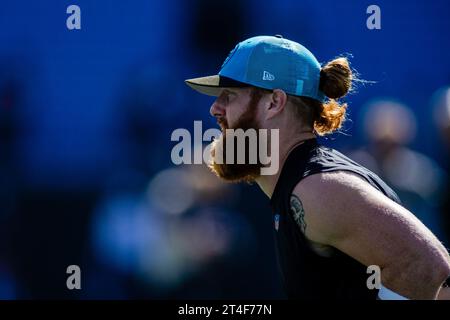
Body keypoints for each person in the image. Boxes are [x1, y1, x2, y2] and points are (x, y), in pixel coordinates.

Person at [184, 35, 450, 300]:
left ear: (274, 102)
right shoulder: (301, 184)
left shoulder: (317, 190)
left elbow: (430, 268)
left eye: (229, 95)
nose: (215, 109)